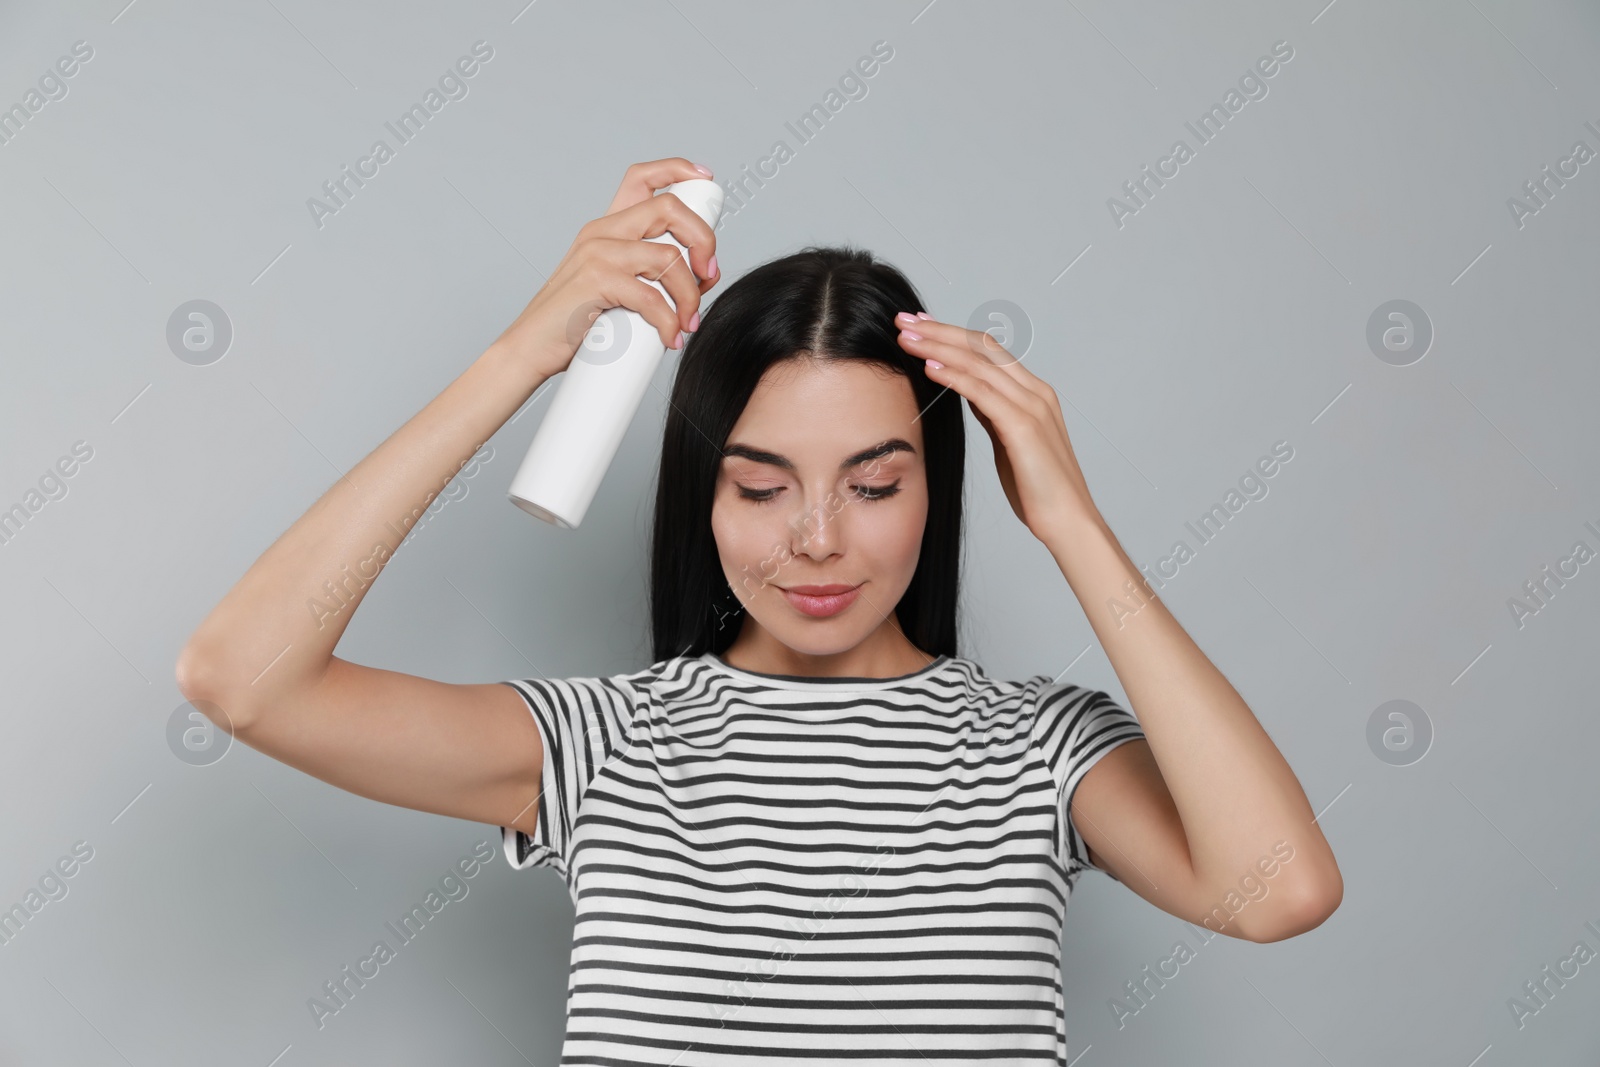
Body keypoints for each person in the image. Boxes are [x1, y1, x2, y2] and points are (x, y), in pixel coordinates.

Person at [176, 157, 1343, 1063]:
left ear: (935, 486)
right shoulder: (607, 745)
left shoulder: (1036, 749)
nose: (818, 537)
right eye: (761, 484)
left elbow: (1279, 886)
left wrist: (1073, 526)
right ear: (704, 489)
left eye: (874, 483)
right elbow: (242, 675)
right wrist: (522, 356)